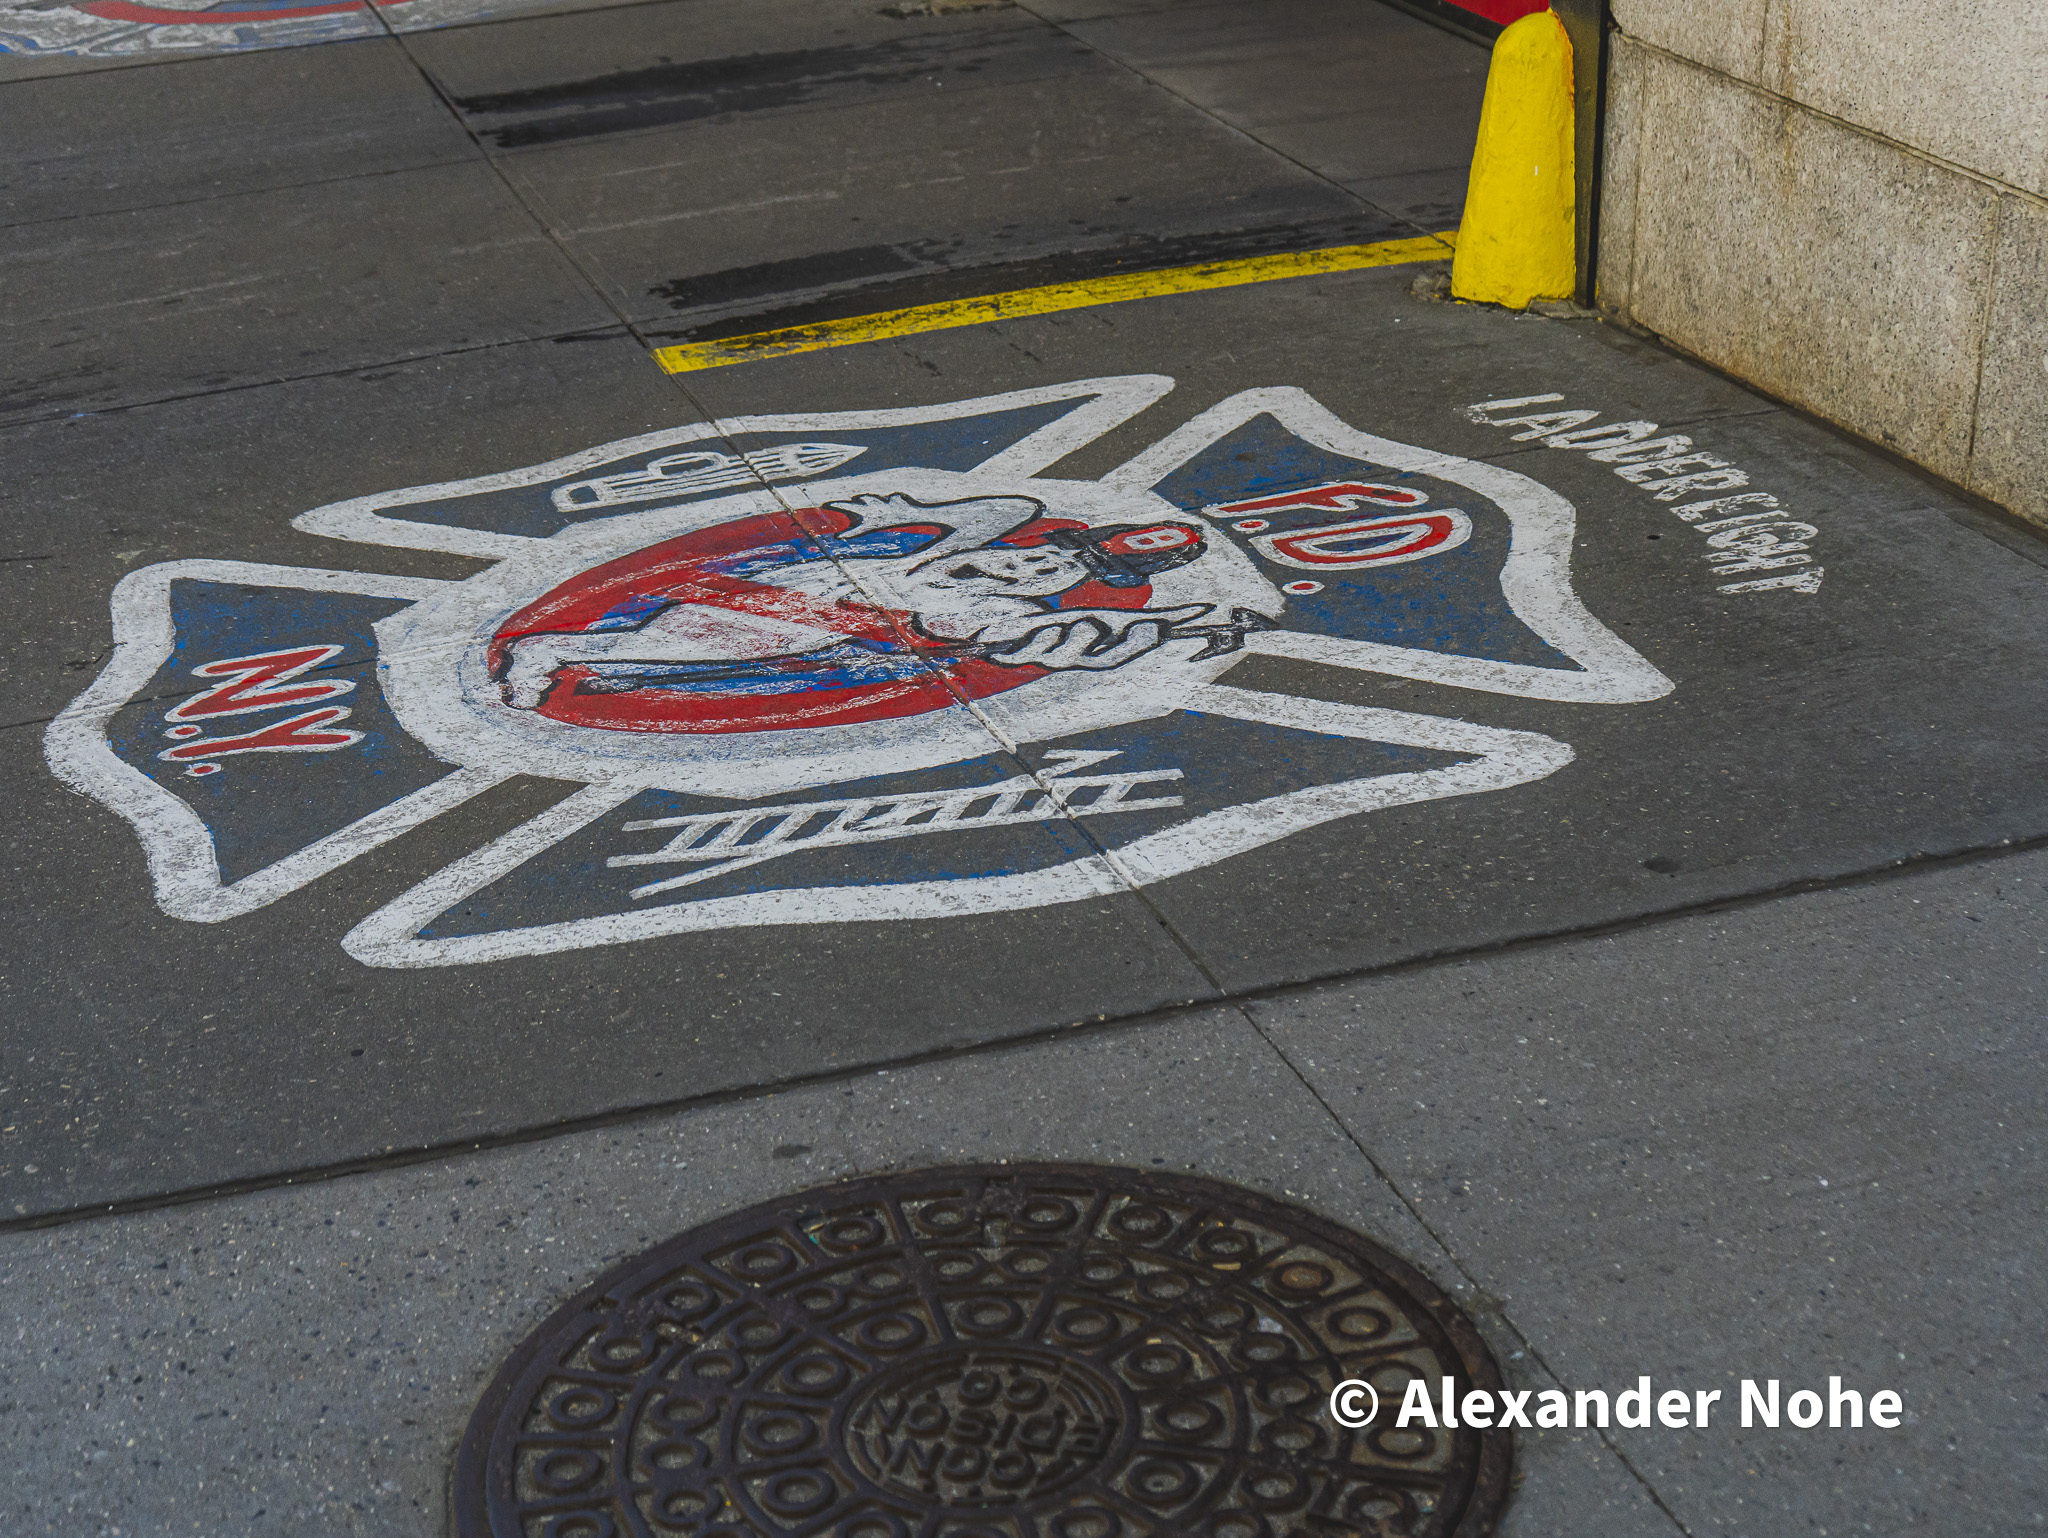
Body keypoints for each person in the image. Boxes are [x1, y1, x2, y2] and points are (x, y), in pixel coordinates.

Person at [495, 491, 1224, 711]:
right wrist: (880, 514)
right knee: (695, 643)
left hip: (830, 622)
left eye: (1064, 570)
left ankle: (561, 656)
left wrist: (1168, 627)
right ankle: (555, 651)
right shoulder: (974, 543)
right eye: (1052, 551)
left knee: (703, 658)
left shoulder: (1024, 608)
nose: (1039, 567)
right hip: (805, 595)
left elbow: (1066, 637)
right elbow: (995, 509)